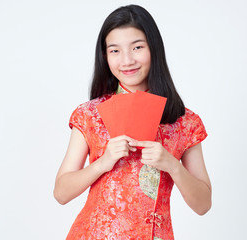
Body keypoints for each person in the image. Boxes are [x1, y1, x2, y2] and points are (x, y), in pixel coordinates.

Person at [54, 4, 212, 240]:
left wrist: (172, 165)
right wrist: (103, 162)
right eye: (115, 51)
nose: (127, 60)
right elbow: (61, 193)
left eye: (137, 47)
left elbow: (203, 205)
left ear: (154, 49)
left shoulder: (184, 122)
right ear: (105, 56)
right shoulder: (89, 115)